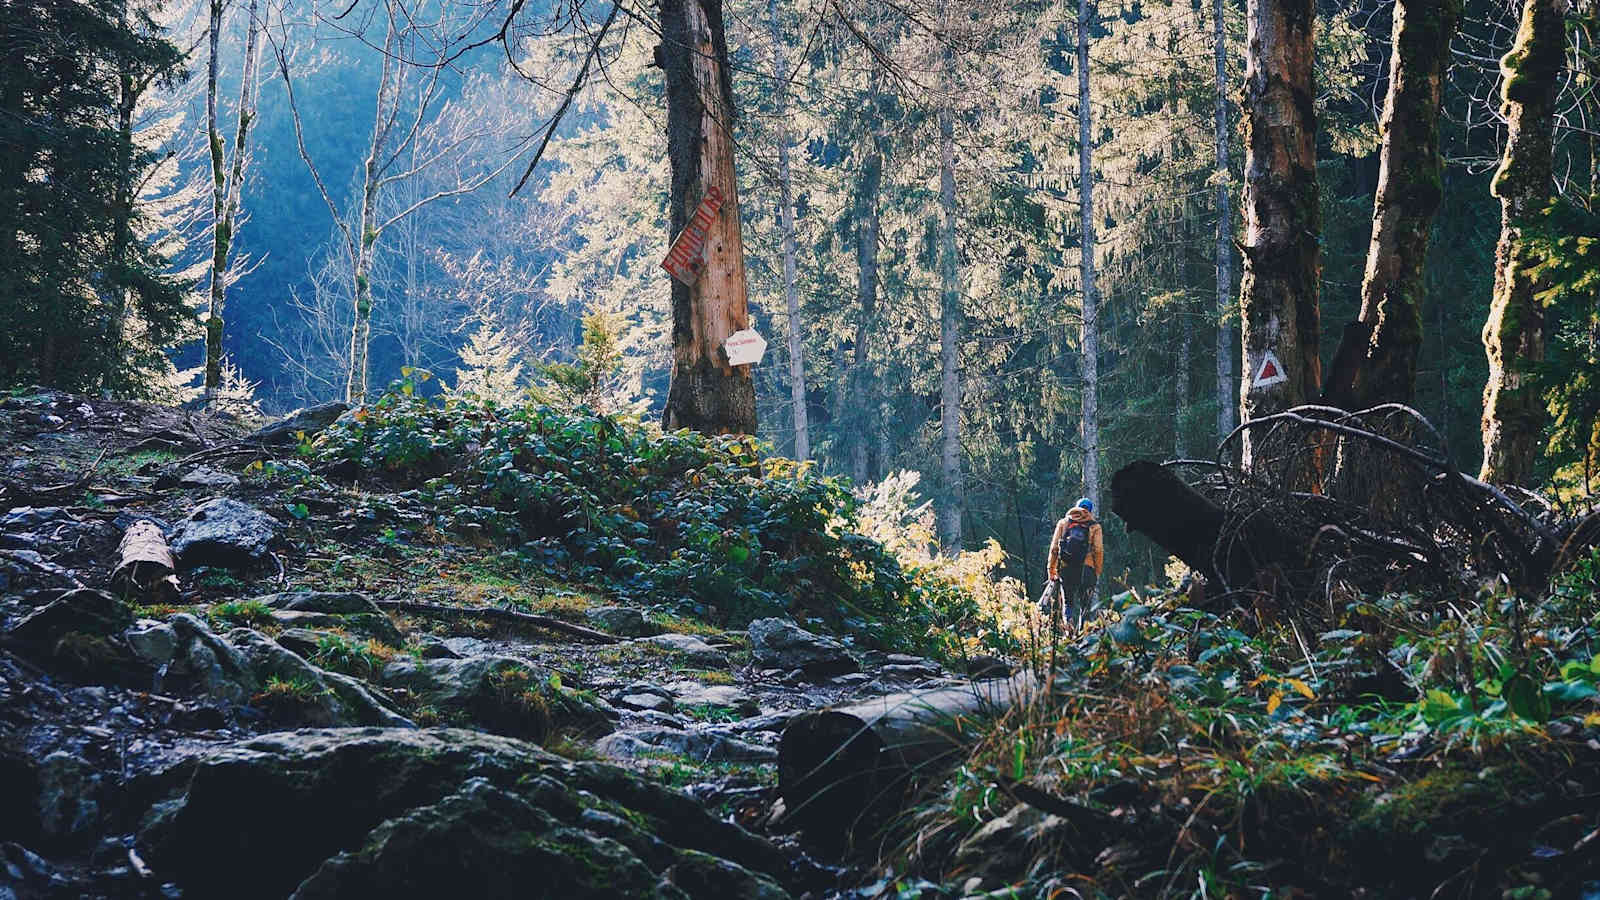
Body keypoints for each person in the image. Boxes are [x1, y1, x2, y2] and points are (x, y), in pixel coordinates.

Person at [1043, 497, 1104, 630]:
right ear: (1090, 511)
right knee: (1085, 606)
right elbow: (1098, 550)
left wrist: (1051, 569)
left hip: (1066, 567)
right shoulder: (1095, 526)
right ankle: (1082, 638)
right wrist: (1097, 571)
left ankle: (1068, 630)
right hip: (1087, 569)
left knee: (1068, 603)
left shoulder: (1064, 523)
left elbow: (1054, 549)